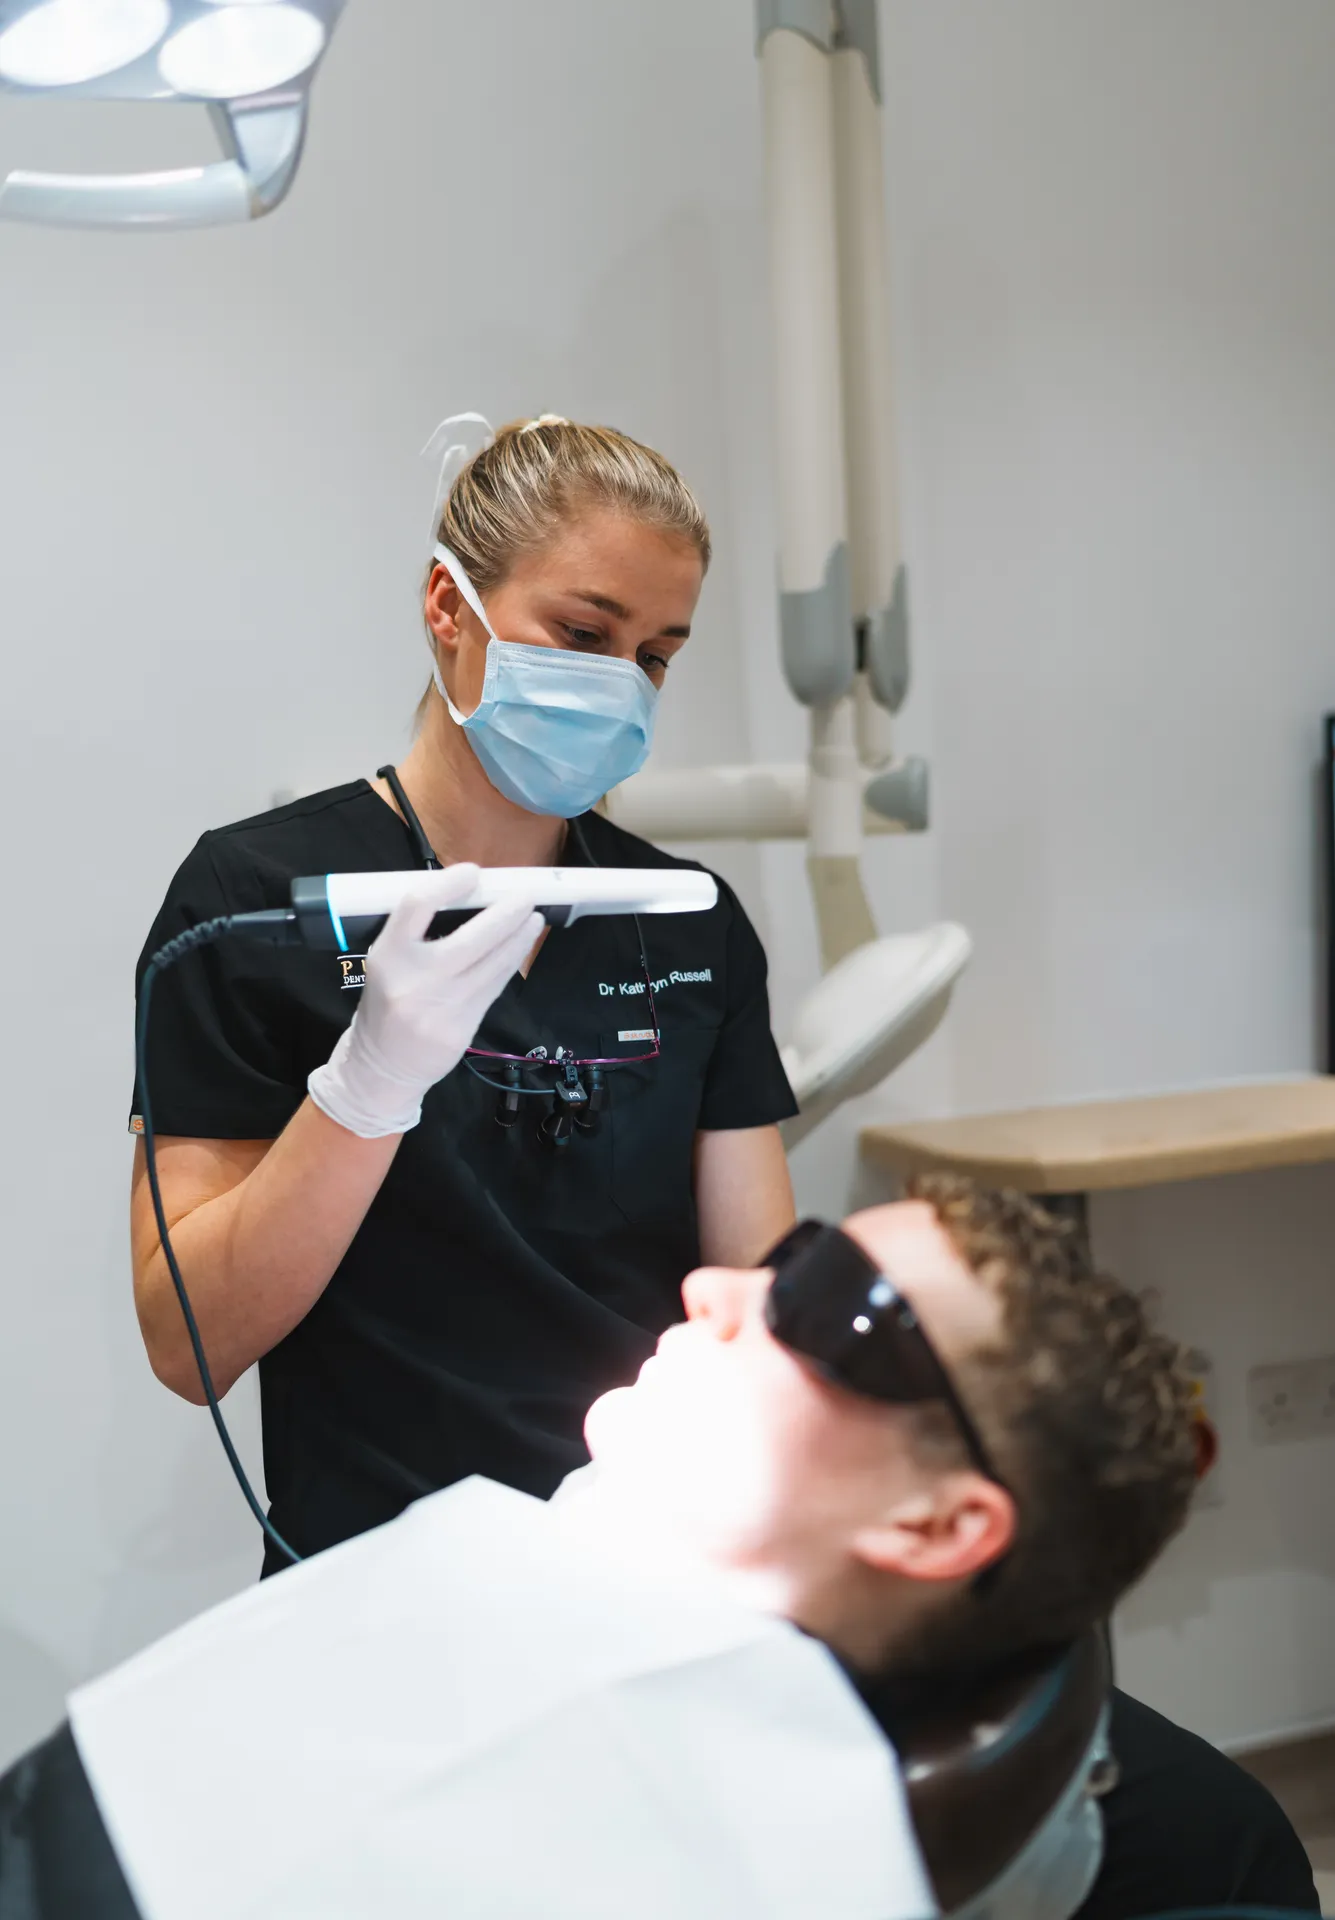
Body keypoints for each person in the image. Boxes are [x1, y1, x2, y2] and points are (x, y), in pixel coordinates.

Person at [2, 1177, 1316, 1918]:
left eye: (833, 1305)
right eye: (791, 1253)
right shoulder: (538, 1559)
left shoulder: (748, 1864)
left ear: (935, 1524)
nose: (715, 1284)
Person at [129, 414, 798, 1573]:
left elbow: (759, 1308)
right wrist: (365, 1088)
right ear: (451, 607)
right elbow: (189, 1346)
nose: (621, 685)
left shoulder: (684, 918)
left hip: (643, 1559)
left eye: (654, 656)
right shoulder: (253, 900)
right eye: (582, 633)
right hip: (374, 1575)